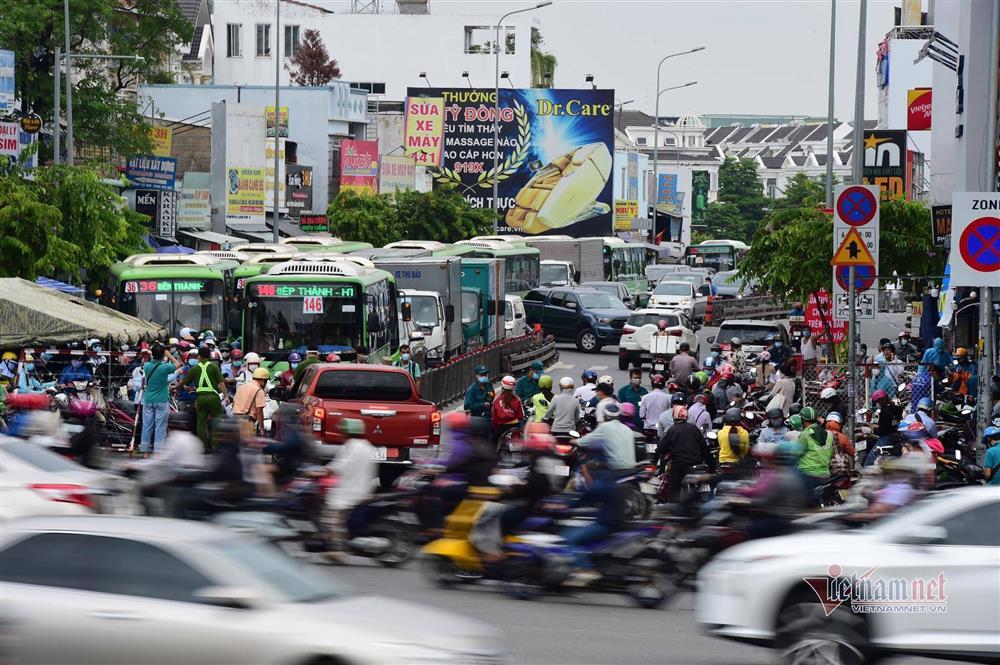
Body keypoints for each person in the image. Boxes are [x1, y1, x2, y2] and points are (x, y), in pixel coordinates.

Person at [556, 444, 627, 586]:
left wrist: (566, 505)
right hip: (613, 519)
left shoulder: (603, 479)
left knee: (567, 539)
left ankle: (585, 569)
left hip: (606, 522)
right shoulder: (614, 476)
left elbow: (588, 496)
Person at [129, 409, 205, 514]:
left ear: (171, 425)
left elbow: (161, 460)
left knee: (144, 489)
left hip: (180, 481)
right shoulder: (194, 440)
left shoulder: (176, 439)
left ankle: (149, 516)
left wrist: (135, 465)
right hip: (193, 481)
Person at [323, 418, 377, 561]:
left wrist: (325, 470)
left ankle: (338, 549)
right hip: (362, 489)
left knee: (331, 519)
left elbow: (341, 465)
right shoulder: (367, 446)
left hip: (349, 492)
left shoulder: (352, 447)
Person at [735, 440, 808, 539]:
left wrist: (745, 501)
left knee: (750, 531)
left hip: (779, 519)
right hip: (789, 516)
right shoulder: (797, 475)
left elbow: (766, 499)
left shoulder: (781, 476)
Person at [657, 405, 715, 500]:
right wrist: (712, 466)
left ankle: (673, 504)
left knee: (674, 491)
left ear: (674, 417)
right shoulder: (694, 429)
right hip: (696, 464)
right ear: (686, 417)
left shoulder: (672, 430)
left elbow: (661, 448)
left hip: (679, 466)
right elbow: (705, 448)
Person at [181, 346, 228, 450]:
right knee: (217, 421)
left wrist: (180, 387)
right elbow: (221, 383)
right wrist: (226, 396)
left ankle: (202, 447)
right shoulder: (214, 367)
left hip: (200, 398)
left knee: (201, 423)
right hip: (213, 398)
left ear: (199, 356)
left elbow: (184, 382)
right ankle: (215, 446)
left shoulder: (195, 368)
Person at [256, 403, 308, 495]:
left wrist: (265, 445)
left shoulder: (292, 431)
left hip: (289, 466)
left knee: (259, 469)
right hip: (289, 463)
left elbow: (285, 446)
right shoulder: (294, 428)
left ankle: (269, 498)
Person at [139, 344, 181, 456]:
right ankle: (158, 452)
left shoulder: (147, 366)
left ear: (152, 354)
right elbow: (178, 364)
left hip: (148, 399)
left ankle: (145, 451)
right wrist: (169, 355)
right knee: (160, 426)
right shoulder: (165, 367)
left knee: (147, 425)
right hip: (162, 399)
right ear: (163, 355)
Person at [576, 402, 636, 473]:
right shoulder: (627, 429)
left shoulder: (604, 427)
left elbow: (585, 441)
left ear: (605, 415)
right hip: (631, 466)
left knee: (585, 466)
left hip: (615, 465)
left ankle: (590, 484)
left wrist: (574, 441)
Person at [796, 406, 834, 503]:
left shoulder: (805, 435)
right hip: (825, 474)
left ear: (803, 420)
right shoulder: (828, 434)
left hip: (808, 474)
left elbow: (796, 455)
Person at [232, 366, 269, 438]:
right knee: (248, 445)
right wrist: (261, 429)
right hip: (247, 421)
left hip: (234, 420)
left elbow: (234, 404)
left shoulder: (241, 387)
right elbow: (259, 412)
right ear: (264, 381)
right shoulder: (259, 391)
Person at [491, 375, 524, 441]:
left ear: (502, 386)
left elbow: (494, 418)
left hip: (501, 428)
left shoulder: (497, 400)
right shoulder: (518, 400)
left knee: (492, 441)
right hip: (515, 427)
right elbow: (520, 416)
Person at [639, 374, 670, 438]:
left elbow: (641, 415)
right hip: (662, 428)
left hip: (648, 429)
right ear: (663, 385)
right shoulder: (668, 398)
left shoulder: (645, 397)